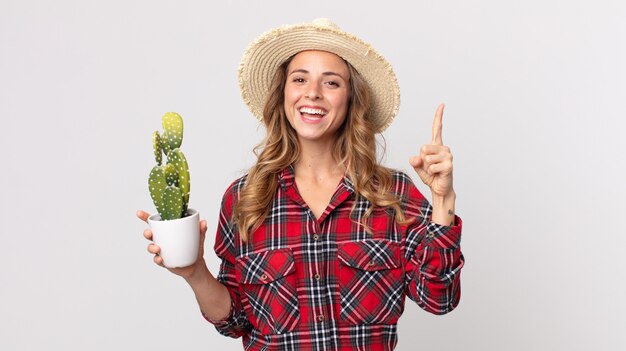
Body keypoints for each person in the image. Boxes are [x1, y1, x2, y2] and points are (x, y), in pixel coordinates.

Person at [137, 18, 464, 350]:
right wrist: (194, 270)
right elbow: (233, 320)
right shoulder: (245, 198)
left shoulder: (392, 194)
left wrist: (442, 200)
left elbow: (439, 299)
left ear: (352, 98)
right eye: (300, 79)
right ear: (283, 94)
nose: (313, 93)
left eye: (332, 83)